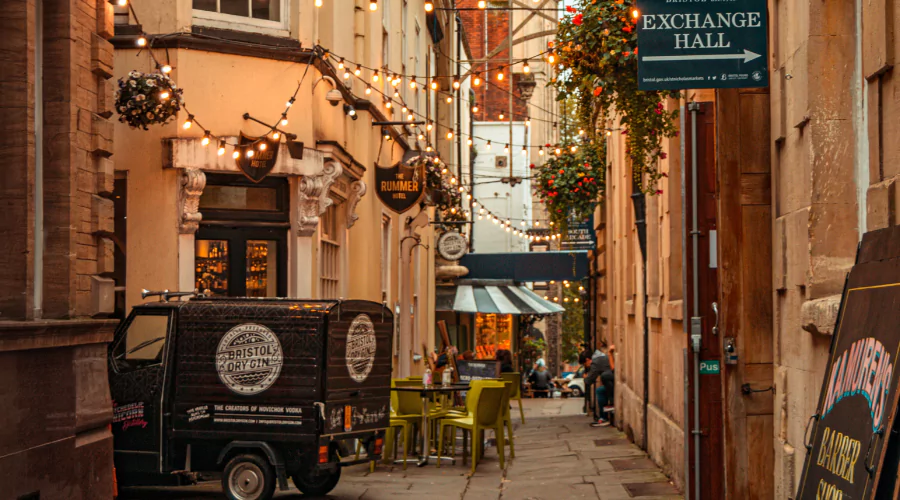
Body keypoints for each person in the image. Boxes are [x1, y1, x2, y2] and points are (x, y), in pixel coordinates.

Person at [584, 344, 614, 426]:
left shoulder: (596, 362)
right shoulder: (600, 357)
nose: (586, 367)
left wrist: (585, 377)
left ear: (587, 360)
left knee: (600, 391)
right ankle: (603, 415)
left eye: (585, 364)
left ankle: (604, 417)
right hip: (611, 381)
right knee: (601, 390)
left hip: (613, 382)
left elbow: (589, 380)